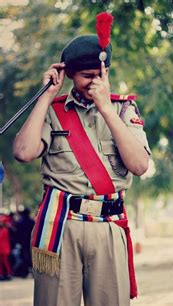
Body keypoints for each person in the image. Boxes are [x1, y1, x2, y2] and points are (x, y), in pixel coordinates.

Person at [12, 12, 150, 306]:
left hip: (108, 224)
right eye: (87, 76)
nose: (95, 82)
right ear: (71, 75)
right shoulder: (52, 109)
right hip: (61, 225)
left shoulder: (124, 110)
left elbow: (139, 166)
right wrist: (46, 97)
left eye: (101, 75)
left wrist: (106, 109)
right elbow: (23, 152)